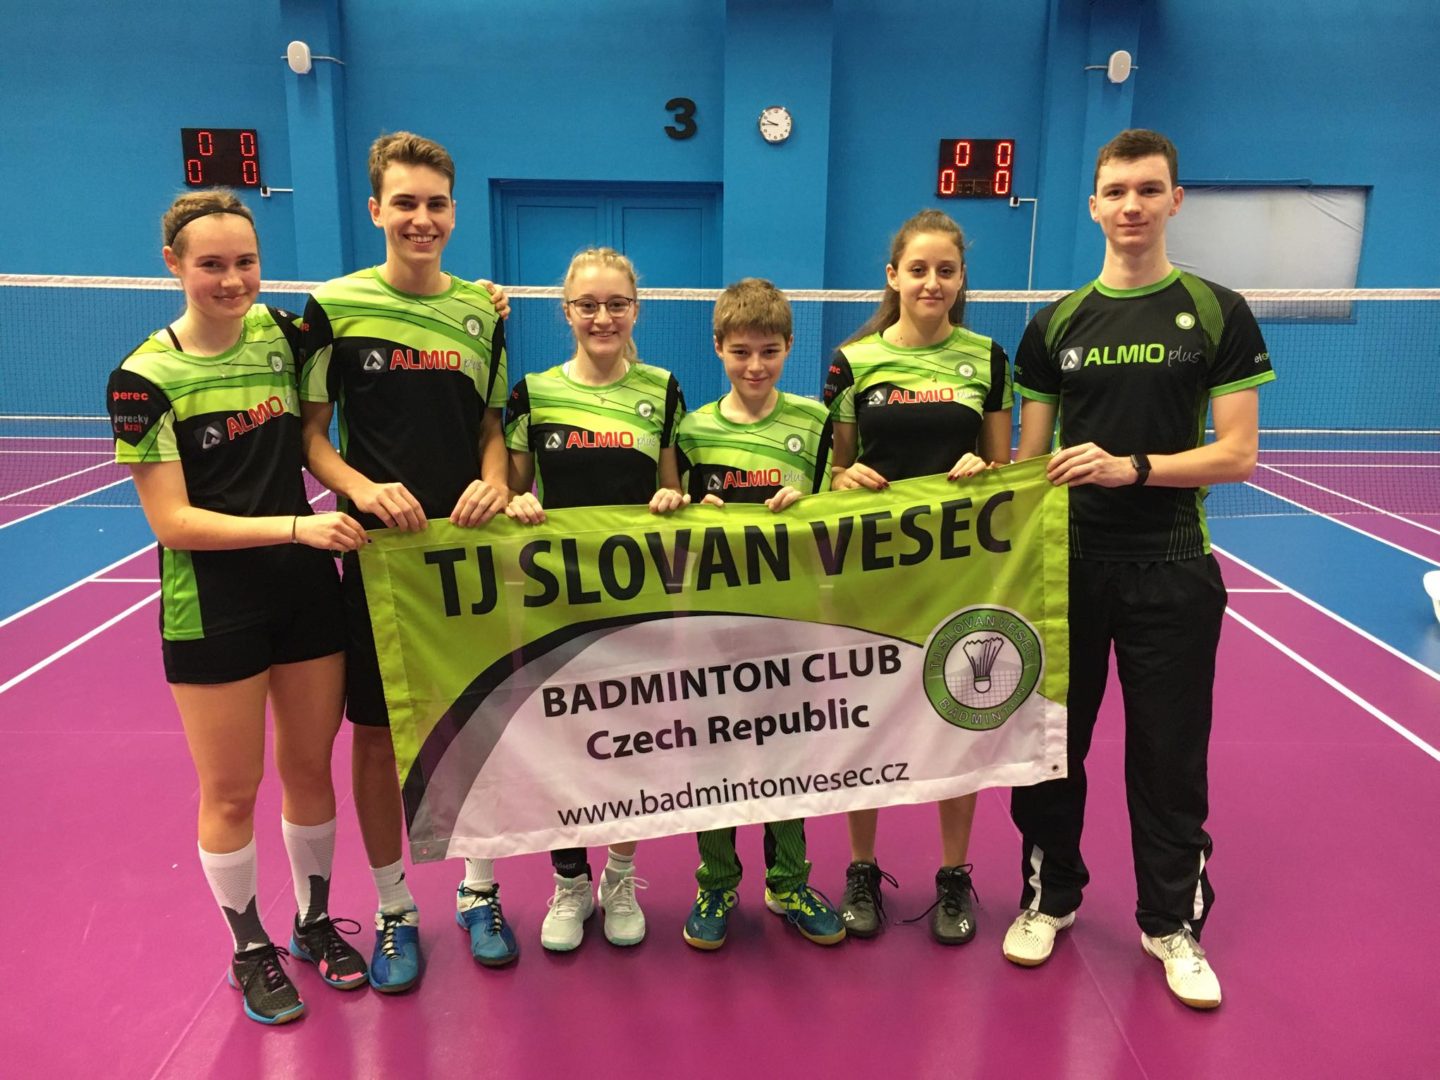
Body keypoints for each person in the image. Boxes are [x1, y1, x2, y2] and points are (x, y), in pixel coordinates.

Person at [1003, 129, 1275, 1010]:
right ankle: (1050, 898)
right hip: (1066, 573)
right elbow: (1029, 461)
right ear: (1093, 205)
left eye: (1148, 190)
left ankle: (1171, 925)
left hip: (1173, 568)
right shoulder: (1054, 325)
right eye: (1116, 191)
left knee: (1168, 760)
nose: (1132, 206)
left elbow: (1237, 454)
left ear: (1174, 200)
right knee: (1052, 751)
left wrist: (1135, 468)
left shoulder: (1217, 311)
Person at [106, 190, 370, 1025]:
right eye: (212, 264)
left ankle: (314, 922)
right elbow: (173, 523)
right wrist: (296, 526)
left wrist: (490, 301)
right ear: (174, 265)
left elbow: (371, 328)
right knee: (230, 789)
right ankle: (249, 948)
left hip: (303, 596)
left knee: (309, 769)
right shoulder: (144, 380)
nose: (232, 279)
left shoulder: (286, 338)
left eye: (245, 262)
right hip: (213, 605)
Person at [299, 132, 516, 988]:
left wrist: (494, 483)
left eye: (435, 204)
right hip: (381, 558)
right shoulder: (333, 308)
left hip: (466, 557)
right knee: (378, 734)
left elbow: (492, 429)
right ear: (375, 210)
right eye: (405, 203)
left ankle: (480, 889)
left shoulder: (483, 314)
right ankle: (394, 908)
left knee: (478, 720)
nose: (421, 219)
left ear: (454, 213)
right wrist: (363, 488)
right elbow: (312, 436)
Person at [824, 208, 1012, 945]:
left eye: (946, 270)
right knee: (865, 721)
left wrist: (983, 467)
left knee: (958, 719)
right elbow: (832, 469)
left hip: (959, 570)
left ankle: (954, 874)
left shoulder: (987, 358)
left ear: (961, 279)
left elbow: (1006, 467)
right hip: (872, 569)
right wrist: (843, 477)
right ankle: (861, 869)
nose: (932, 282)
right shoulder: (852, 361)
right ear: (893, 276)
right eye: (919, 269)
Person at [504, 247, 688, 952]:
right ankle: (570, 880)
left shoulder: (662, 391)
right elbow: (512, 487)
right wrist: (517, 502)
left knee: (631, 741)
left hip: (639, 597)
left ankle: (620, 875)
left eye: (616, 304)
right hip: (557, 600)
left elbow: (672, 487)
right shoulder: (532, 394)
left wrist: (670, 498)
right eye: (588, 305)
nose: (602, 317)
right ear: (567, 311)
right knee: (563, 745)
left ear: (635, 309)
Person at [672, 277, 844, 950]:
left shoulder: (815, 423)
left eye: (769, 352)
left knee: (787, 753)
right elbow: (667, 519)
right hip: (712, 625)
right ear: (717, 347)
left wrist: (815, 502)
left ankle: (789, 880)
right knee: (715, 756)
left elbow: (841, 506)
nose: (754, 366)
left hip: (791, 622)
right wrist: (692, 509)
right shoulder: (691, 431)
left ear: (790, 348)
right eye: (740, 351)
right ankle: (716, 882)